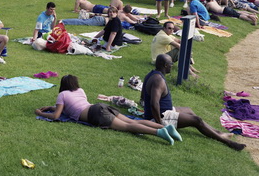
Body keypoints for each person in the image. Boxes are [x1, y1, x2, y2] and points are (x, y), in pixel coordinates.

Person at [35, 75, 178, 145]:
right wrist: (50, 107)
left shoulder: (62, 94)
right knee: (131, 120)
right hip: (100, 107)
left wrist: (40, 113)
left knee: (128, 127)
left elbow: (56, 116)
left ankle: (158, 132)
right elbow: (69, 108)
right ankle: (165, 127)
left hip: (95, 113)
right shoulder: (80, 90)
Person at [142, 54, 245, 151]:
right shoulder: (158, 80)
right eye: (171, 64)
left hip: (164, 111)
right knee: (197, 120)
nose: (172, 66)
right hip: (161, 116)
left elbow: (143, 97)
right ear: (165, 65)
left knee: (188, 110)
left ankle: (218, 133)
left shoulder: (152, 74)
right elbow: (154, 104)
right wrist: (160, 125)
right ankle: (227, 142)